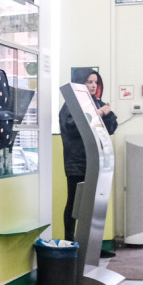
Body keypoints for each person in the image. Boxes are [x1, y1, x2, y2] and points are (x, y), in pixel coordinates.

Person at [59, 70, 117, 241]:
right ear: (79, 84)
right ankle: (69, 242)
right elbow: (74, 127)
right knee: (74, 202)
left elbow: (111, 128)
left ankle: (91, 245)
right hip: (77, 162)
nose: (93, 86)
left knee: (93, 204)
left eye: (95, 82)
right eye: (89, 82)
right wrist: (99, 113)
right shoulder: (70, 105)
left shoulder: (97, 103)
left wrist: (107, 114)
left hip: (96, 162)